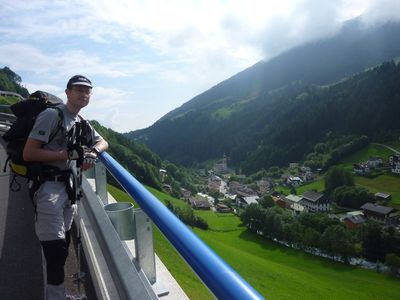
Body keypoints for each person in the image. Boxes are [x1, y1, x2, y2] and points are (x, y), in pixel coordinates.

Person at [23, 75, 108, 300]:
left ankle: (58, 295)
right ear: (67, 92)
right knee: (55, 251)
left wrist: (93, 152)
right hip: (47, 189)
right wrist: (66, 154)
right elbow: (29, 153)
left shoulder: (81, 123)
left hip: (68, 190)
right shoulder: (52, 115)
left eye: (87, 91)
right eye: (79, 90)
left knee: (62, 245)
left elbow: (103, 141)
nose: (84, 94)